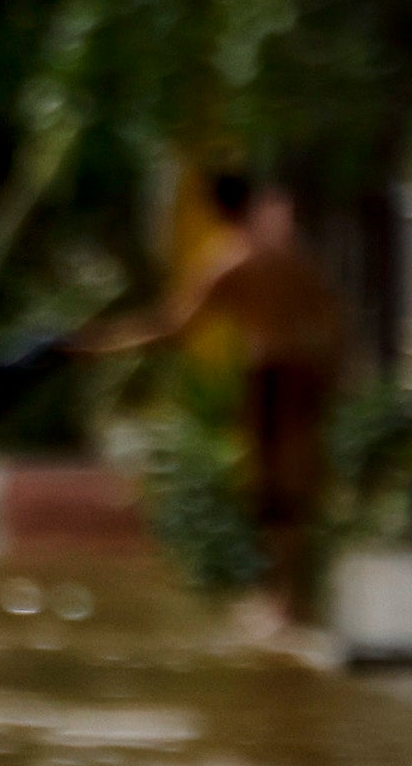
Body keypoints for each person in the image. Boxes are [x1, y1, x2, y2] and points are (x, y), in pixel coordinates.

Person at [79, 172, 350, 637]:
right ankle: (294, 599)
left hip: (272, 375)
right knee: (299, 483)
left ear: (217, 210)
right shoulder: (288, 256)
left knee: (272, 489)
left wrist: (99, 343)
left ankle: (283, 604)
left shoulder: (229, 261)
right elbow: (331, 310)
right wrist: (333, 370)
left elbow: (175, 327)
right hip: (308, 374)